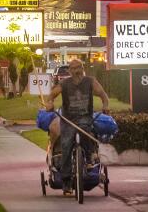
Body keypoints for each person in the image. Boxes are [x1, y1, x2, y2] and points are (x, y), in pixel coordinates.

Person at [45, 59, 110, 196]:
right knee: (66, 146)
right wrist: (49, 103)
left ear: (82, 67)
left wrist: (105, 105)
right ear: (69, 70)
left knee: (87, 133)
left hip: (85, 118)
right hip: (68, 120)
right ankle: (67, 182)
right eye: (73, 68)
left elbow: (103, 95)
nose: (76, 71)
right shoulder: (64, 83)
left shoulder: (90, 81)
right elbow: (51, 95)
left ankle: (89, 158)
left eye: (79, 67)